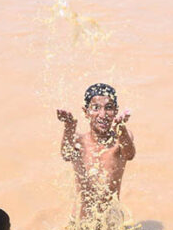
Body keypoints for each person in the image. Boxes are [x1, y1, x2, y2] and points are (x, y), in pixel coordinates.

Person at [56, 83, 136, 220]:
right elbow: (66, 154)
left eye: (109, 108)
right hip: (81, 221)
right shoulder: (78, 141)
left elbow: (130, 154)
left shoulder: (120, 139)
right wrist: (69, 128)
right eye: (96, 108)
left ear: (116, 111)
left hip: (111, 222)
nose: (103, 114)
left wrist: (121, 128)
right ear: (86, 112)